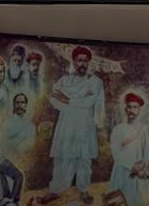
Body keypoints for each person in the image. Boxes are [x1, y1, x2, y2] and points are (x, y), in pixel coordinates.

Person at [49, 44, 116, 197]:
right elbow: (53, 99)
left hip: (85, 126)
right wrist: (76, 100)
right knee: (62, 158)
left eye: (85, 61)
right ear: (74, 62)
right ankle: (55, 190)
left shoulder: (95, 82)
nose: (82, 64)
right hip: (66, 125)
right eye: (79, 60)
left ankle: (83, 191)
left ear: (89, 63)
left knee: (84, 160)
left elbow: (90, 102)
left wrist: (68, 99)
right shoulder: (64, 81)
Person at [109, 89, 149, 206]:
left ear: (139, 110)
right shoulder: (118, 129)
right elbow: (116, 153)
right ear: (126, 109)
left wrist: (142, 164)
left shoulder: (144, 129)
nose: (132, 110)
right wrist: (132, 166)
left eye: (135, 107)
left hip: (140, 172)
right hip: (123, 172)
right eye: (129, 107)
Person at [2, 90, 35, 156]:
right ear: (14, 105)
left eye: (22, 102)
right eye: (17, 103)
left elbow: (31, 142)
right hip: (11, 155)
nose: (20, 105)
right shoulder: (7, 123)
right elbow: (4, 143)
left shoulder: (31, 124)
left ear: (26, 105)